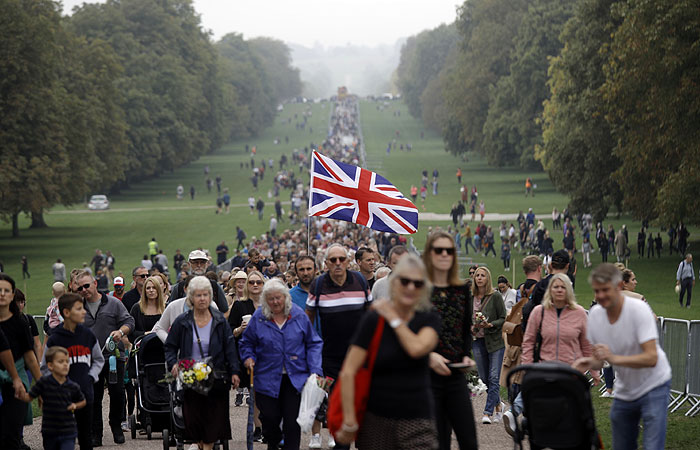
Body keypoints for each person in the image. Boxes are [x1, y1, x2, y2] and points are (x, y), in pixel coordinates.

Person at [335, 254, 441, 449]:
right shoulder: (373, 320)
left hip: (417, 417)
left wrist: (393, 317)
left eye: (417, 283)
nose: (410, 287)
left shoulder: (428, 318)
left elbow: (416, 348)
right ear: (394, 282)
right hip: (376, 417)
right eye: (405, 281)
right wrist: (350, 420)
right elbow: (349, 370)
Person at [574, 264, 671, 450]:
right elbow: (600, 359)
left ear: (619, 287)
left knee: (652, 445)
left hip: (654, 384)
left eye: (605, 290)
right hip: (626, 390)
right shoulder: (595, 315)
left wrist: (614, 358)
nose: (600, 296)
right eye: (596, 291)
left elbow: (651, 357)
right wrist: (588, 363)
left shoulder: (638, 310)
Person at [504, 273, 597, 435]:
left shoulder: (580, 313)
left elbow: (586, 345)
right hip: (545, 363)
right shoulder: (539, 312)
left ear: (569, 290)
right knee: (537, 384)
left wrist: (594, 371)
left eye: (563, 287)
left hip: (571, 368)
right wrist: (527, 364)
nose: (560, 290)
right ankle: (514, 413)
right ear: (549, 290)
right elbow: (529, 341)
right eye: (556, 287)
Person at [239, 279, 323, 450]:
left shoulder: (298, 315)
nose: (275, 302)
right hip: (266, 377)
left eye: (279, 298)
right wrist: (248, 357)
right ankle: (273, 441)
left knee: (292, 423)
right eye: (271, 299)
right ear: (265, 301)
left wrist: (315, 370)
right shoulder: (259, 317)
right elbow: (246, 342)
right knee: (270, 419)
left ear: (286, 298)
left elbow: (313, 343)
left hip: (295, 378)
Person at [306, 244, 372, 450]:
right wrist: (311, 349)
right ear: (326, 263)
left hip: (359, 357)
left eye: (341, 259)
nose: (337, 263)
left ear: (348, 261)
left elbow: (371, 316)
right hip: (331, 359)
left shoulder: (360, 281)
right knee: (338, 408)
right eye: (332, 260)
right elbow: (308, 320)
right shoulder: (318, 285)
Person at [164, 276, 241, 450]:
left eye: (206, 295)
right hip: (190, 377)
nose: (202, 299)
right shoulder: (182, 321)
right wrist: (173, 364)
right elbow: (170, 346)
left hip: (216, 376)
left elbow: (230, 348)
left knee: (212, 422)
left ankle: (205, 446)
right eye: (198, 295)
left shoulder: (220, 322)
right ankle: (199, 444)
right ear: (191, 297)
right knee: (195, 421)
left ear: (211, 296)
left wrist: (235, 372)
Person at [422, 231, 478, 450]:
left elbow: (465, 330)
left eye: (449, 251)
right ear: (430, 254)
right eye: (439, 250)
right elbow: (409, 334)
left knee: (469, 439)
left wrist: (466, 355)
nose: (444, 255)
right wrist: (428, 356)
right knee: (438, 441)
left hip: (455, 374)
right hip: (428, 376)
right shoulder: (420, 289)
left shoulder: (462, 290)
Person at [74, 269, 134, 446]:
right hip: (90, 360)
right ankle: (96, 433)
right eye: (80, 288)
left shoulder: (113, 303)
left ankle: (115, 425)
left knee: (116, 393)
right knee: (94, 396)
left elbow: (129, 321)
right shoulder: (78, 308)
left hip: (113, 356)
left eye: (86, 285)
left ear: (94, 284)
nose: (84, 290)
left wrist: (120, 331)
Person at [43, 293, 104, 450]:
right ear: (66, 313)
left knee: (85, 438)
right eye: (79, 309)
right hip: (60, 399)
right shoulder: (55, 338)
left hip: (84, 394)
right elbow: (44, 366)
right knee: (58, 439)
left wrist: (91, 377)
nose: (84, 312)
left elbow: (98, 359)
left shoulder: (88, 335)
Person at [0, 273, 41, 450]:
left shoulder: (20, 322)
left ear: (12, 295)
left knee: (12, 435)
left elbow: (29, 356)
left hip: (16, 379)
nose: (2, 294)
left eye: (6, 290)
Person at [19, 346, 86, 450]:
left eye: (67, 362)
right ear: (50, 365)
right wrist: (22, 396)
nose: (65, 365)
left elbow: (82, 401)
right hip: (49, 431)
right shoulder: (43, 383)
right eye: (60, 362)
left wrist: (75, 405)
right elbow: (30, 397)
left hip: (68, 430)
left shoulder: (73, 386)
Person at [470, 267, 506, 424]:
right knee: (484, 378)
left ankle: (487, 412)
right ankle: (498, 403)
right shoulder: (470, 297)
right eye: (477, 275)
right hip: (477, 341)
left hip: (495, 342)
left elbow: (503, 317)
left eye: (482, 275)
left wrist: (490, 325)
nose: (479, 278)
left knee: (493, 376)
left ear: (488, 278)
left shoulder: (495, 296)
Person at [228, 271, 264, 415]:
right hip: (247, 353)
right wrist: (239, 329)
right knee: (254, 392)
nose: (255, 285)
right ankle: (257, 428)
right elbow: (229, 331)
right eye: (251, 282)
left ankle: (266, 427)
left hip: (267, 352)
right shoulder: (239, 305)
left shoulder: (270, 303)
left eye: (258, 282)